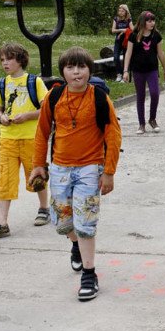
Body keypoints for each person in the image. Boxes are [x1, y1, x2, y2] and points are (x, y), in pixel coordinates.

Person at [30, 47, 122, 302]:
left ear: (89, 70)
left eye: (81, 67)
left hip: (90, 169)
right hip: (59, 168)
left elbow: (113, 136)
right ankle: (75, 246)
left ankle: (89, 275)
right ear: (63, 72)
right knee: (63, 223)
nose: (76, 72)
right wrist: (38, 165)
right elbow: (42, 132)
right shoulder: (54, 96)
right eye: (70, 67)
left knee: (85, 223)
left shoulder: (99, 98)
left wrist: (109, 172)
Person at [0, 43, 50, 242]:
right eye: (2, 60)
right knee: (5, 179)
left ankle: (44, 208)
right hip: (8, 139)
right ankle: (2, 223)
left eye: (9, 59)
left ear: (20, 60)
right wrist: (1, 117)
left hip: (31, 138)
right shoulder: (2, 83)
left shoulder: (34, 82)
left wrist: (27, 116)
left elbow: (46, 109)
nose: (5, 63)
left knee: (36, 175)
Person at [122, 10, 165, 134]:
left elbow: (160, 53)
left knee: (155, 93)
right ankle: (141, 123)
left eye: (153, 20)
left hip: (152, 70)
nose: (152, 23)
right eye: (149, 21)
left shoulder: (156, 35)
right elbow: (128, 53)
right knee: (140, 96)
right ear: (143, 22)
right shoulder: (134, 35)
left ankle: (152, 119)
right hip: (138, 71)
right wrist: (125, 70)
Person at [110, 4, 132, 82]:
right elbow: (113, 30)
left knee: (126, 58)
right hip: (118, 41)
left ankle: (125, 76)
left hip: (126, 41)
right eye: (119, 11)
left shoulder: (129, 19)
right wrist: (122, 30)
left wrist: (124, 32)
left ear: (126, 12)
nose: (120, 12)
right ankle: (119, 74)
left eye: (122, 11)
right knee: (116, 57)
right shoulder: (116, 19)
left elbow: (132, 30)